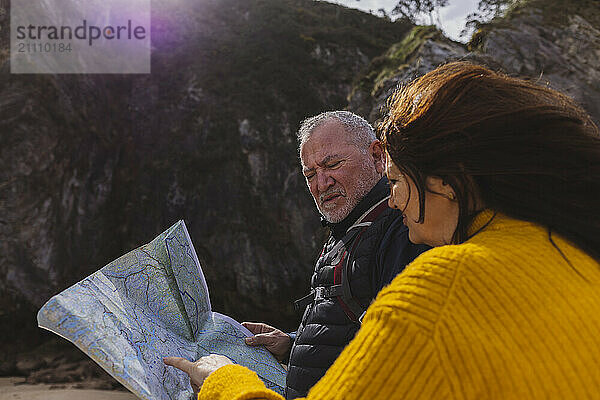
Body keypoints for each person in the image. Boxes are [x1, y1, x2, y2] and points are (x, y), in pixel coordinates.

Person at [165, 62, 600, 399]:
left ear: (447, 179)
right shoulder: (575, 258)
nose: (393, 200)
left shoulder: (444, 280)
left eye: (396, 181)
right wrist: (293, 343)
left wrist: (222, 380)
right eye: (309, 173)